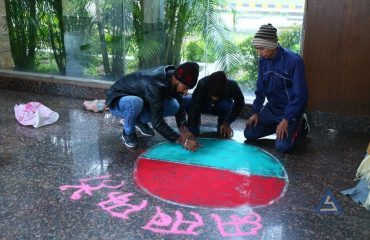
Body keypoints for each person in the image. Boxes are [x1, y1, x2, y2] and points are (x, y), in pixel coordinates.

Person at [244, 23, 309, 153]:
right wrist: (256, 112)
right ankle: (277, 124)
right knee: (249, 133)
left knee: (282, 146)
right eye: (257, 49)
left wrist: (286, 119)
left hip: (291, 111)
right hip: (272, 109)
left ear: (272, 45)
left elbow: (301, 95)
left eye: (262, 48)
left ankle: (301, 124)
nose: (259, 53)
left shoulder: (294, 61)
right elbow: (260, 89)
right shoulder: (263, 61)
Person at [106, 62, 200, 151]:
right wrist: (183, 141)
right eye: (185, 88)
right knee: (135, 102)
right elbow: (157, 122)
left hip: (142, 102)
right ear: (176, 80)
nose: (186, 92)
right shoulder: (155, 83)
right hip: (118, 102)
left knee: (174, 105)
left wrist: (184, 130)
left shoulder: (173, 79)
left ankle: (139, 121)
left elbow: (180, 109)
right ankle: (128, 133)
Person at [184, 71, 245, 138]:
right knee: (187, 100)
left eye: (218, 96)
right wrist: (192, 128)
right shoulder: (202, 83)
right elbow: (194, 105)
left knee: (227, 104)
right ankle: (196, 122)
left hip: (220, 107)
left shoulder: (233, 86)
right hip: (204, 105)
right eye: (212, 95)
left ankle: (222, 124)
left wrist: (227, 122)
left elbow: (240, 103)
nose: (215, 99)